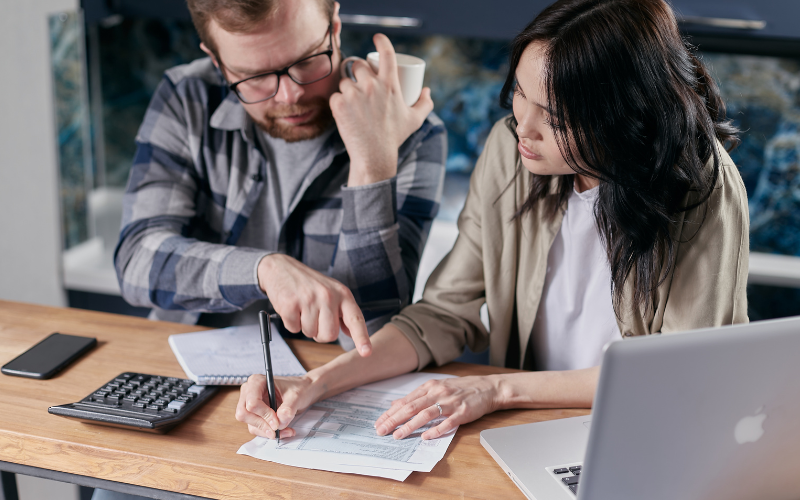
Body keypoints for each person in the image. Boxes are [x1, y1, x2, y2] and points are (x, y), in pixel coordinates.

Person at [235, 0, 749, 443]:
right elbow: (442, 314)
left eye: (556, 116)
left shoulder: (702, 189)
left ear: (623, 116)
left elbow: (678, 375)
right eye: (521, 92)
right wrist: (317, 381)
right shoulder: (511, 152)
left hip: (641, 433)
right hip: (526, 428)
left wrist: (497, 389)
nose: (522, 125)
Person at [113, 0, 447, 355]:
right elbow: (136, 261)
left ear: (334, 26)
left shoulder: (411, 132)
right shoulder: (188, 97)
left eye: (306, 61)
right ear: (216, 61)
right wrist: (264, 271)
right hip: (187, 364)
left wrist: (371, 165)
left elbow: (374, 337)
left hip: (329, 380)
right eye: (254, 77)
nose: (292, 95)